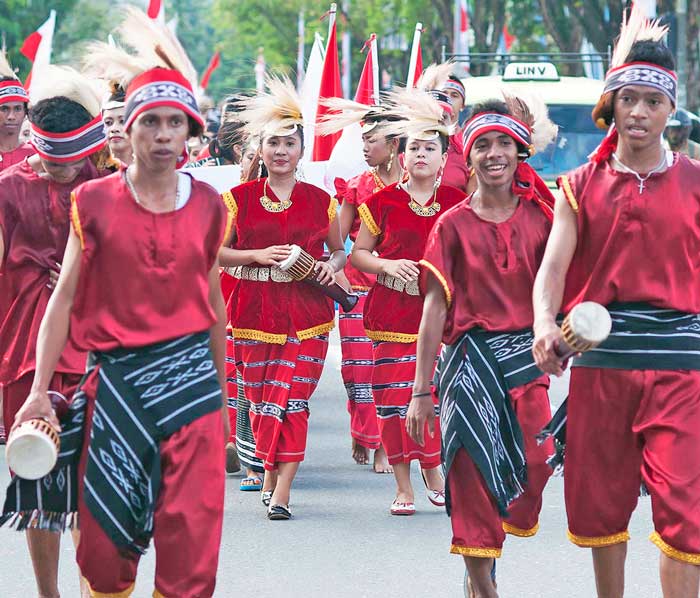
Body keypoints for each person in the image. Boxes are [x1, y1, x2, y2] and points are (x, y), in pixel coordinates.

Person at [6, 9, 230, 596]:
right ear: (125, 132)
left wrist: (224, 403)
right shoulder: (96, 203)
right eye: (149, 122)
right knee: (104, 547)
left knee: (191, 545)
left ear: (190, 134)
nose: (161, 135)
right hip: (112, 384)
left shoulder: (211, 206)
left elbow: (212, 305)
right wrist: (34, 392)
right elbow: (64, 298)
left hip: (190, 388)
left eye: (173, 124)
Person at [532, 7, 700, 598]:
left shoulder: (697, 182)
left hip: (683, 369)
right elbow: (552, 268)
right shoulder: (578, 186)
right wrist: (543, 324)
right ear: (614, 105)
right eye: (628, 99)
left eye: (652, 103)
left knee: (686, 514)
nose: (639, 112)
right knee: (601, 508)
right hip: (603, 365)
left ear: (668, 111)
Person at [408, 94, 558, 597]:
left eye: (503, 144)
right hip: (467, 366)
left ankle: (482, 561)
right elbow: (433, 310)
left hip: (524, 364)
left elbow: (562, 292)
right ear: (468, 158)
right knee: (470, 479)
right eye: (483, 145)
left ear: (520, 152)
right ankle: (482, 581)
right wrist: (420, 391)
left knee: (536, 466)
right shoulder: (451, 225)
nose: (494, 153)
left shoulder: (543, 219)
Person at [0, 64, 111, 598]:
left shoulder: (111, 188)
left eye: (72, 162)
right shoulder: (6, 190)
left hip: (98, 344)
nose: (62, 170)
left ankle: (96, 586)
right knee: (36, 475)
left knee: (93, 481)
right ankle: (49, 594)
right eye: (50, 160)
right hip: (24, 345)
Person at [220, 75, 346, 520]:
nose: (280, 151)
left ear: (301, 151)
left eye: (289, 144)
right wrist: (256, 254)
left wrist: (333, 267)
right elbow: (215, 252)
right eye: (273, 143)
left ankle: (282, 491)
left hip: (307, 318)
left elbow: (337, 252)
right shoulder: (237, 199)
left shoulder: (321, 201)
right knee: (258, 402)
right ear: (261, 149)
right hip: (253, 315)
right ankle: (269, 472)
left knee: (293, 402)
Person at [352, 86, 464, 515]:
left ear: (441, 158)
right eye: (413, 147)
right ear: (401, 155)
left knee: (432, 396)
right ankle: (403, 484)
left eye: (429, 148)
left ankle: (433, 468)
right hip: (389, 314)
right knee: (392, 401)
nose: (420, 155)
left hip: (438, 318)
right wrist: (384, 266)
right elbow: (360, 252)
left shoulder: (457, 203)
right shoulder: (380, 202)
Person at [318, 100, 404, 473]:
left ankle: (385, 444)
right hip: (357, 288)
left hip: (399, 290)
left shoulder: (415, 186)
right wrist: (333, 264)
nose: (365, 147)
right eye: (363, 141)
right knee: (357, 371)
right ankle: (362, 432)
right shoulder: (356, 187)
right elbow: (336, 237)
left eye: (373, 141)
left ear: (395, 144)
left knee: (389, 369)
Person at [0, 50, 33, 172]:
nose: (11, 116)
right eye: (4, 109)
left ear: (25, 112)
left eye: (18, 109)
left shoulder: (36, 155)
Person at [101, 82, 133, 166]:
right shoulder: (96, 172)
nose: (114, 129)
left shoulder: (152, 170)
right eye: (108, 123)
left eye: (122, 121)